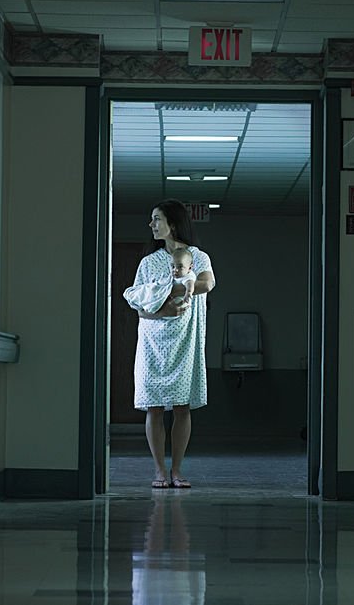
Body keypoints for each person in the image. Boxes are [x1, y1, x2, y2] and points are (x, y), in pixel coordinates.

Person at [125, 199, 215, 489]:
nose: (151, 225)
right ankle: (159, 471)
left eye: (156, 219)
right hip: (153, 340)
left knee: (181, 407)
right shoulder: (148, 262)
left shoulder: (198, 256)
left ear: (172, 224)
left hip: (186, 339)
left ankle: (177, 469)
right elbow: (139, 304)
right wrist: (164, 306)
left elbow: (207, 283)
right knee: (153, 407)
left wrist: (179, 284)